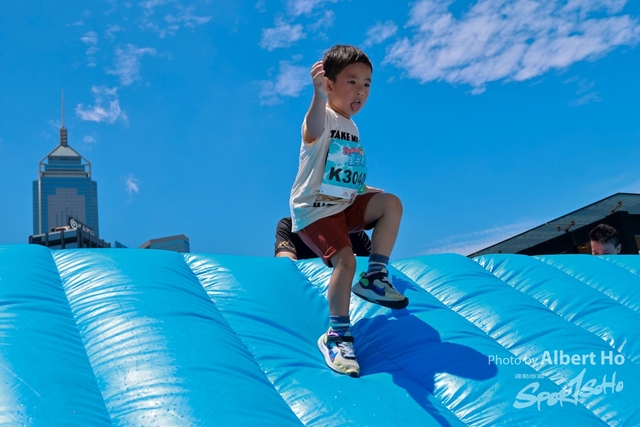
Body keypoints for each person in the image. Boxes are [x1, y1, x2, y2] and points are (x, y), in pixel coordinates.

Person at [289, 45, 408, 378]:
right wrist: (317, 96)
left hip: (342, 203)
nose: (361, 91)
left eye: (367, 84)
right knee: (346, 260)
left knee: (391, 203)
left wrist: (364, 191)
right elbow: (312, 129)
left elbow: (341, 173)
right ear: (329, 85)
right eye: (352, 82)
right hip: (314, 209)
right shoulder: (323, 115)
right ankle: (337, 334)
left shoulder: (352, 127)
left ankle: (376, 277)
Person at [274, 217, 372, 260]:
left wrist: (356, 263)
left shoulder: (353, 231)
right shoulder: (290, 226)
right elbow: (285, 264)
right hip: (303, 289)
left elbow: (373, 268)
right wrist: (336, 263)